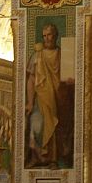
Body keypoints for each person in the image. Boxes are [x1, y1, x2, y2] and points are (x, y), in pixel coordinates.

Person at [26, 22, 62, 167]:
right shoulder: (37, 56)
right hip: (39, 97)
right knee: (36, 124)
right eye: (44, 36)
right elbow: (31, 79)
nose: (47, 39)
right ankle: (36, 157)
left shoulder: (61, 54)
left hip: (55, 96)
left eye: (50, 35)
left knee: (52, 125)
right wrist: (29, 101)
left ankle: (52, 158)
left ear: (55, 36)